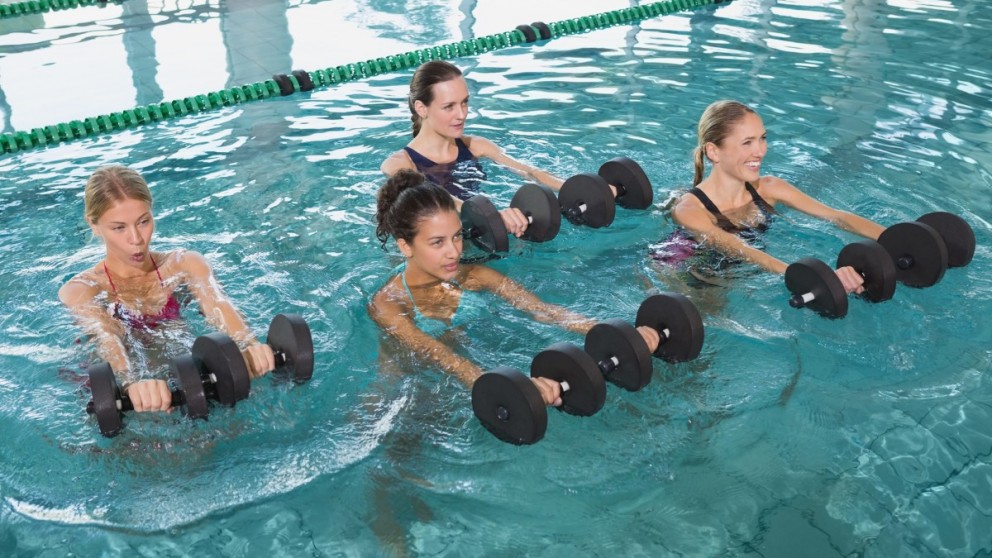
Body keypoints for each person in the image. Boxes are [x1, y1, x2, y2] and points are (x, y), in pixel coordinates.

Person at [369, 169, 660, 405]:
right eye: (437, 242)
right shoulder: (389, 303)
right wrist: (517, 389)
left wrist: (622, 336)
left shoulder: (473, 275)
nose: (453, 252)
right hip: (399, 393)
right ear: (405, 246)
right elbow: (443, 358)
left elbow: (544, 311)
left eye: (456, 237)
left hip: (458, 383)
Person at [59, 165, 276, 413]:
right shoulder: (82, 289)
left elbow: (217, 303)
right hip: (118, 393)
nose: (136, 239)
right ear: (94, 224)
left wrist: (248, 344)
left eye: (143, 222)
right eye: (119, 228)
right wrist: (131, 381)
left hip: (184, 375)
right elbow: (107, 336)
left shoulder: (184, 264)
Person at [380, 61, 620, 240]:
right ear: (421, 108)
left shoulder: (477, 146)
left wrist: (585, 189)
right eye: (449, 106)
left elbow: (529, 172)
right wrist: (491, 216)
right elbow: (435, 198)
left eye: (465, 102)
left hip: (485, 237)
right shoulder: (399, 164)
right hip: (443, 246)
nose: (462, 114)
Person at [667, 100, 886, 291]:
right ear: (714, 151)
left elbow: (836, 216)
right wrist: (816, 278)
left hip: (741, 272)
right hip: (692, 275)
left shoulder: (769, 188)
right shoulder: (689, 211)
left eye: (762, 138)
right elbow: (740, 249)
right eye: (747, 142)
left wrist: (892, 239)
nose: (760, 151)